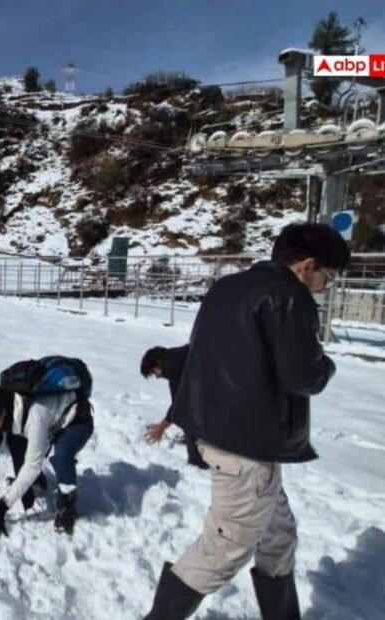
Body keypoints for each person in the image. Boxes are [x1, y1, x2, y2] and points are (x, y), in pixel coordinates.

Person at [144, 223, 350, 619]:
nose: (327, 285)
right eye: (329, 276)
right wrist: (327, 365)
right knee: (222, 550)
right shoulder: (290, 297)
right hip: (248, 452)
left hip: (220, 435)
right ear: (308, 266)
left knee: (278, 537)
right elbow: (303, 376)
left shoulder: (228, 287)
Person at [0, 373, 94, 537]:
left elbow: (33, 464)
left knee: (61, 456)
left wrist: (4, 505)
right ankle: (36, 481)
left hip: (77, 420)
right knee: (14, 441)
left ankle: (68, 504)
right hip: (51, 422)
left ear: (1, 413)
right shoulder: (5, 405)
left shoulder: (35, 417)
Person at [140, 345, 207, 469]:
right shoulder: (173, 359)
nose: (157, 376)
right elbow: (178, 402)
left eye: (154, 372)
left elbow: (179, 403)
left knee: (188, 418)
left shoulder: (173, 366)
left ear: (158, 362)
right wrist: (163, 424)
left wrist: (162, 427)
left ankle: (197, 464)